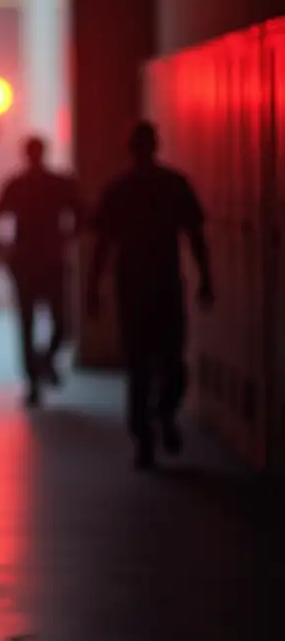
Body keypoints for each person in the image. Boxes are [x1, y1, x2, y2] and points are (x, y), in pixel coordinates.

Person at [87, 120, 214, 469]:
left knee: (141, 365)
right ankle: (158, 421)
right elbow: (195, 236)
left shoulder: (121, 189)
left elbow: (102, 247)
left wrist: (93, 291)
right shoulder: (172, 184)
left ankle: (149, 429)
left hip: (136, 286)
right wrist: (206, 279)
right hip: (163, 285)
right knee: (169, 361)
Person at [0, 134, 85, 406]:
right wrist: (66, 238)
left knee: (30, 322)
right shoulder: (57, 184)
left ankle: (36, 371)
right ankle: (40, 370)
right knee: (58, 322)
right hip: (48, 259)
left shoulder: (18, 185)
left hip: (27, 261)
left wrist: (3, 247)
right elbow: (81, 214)